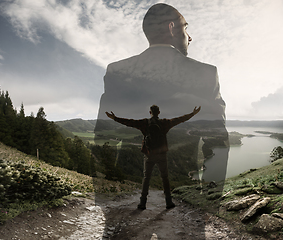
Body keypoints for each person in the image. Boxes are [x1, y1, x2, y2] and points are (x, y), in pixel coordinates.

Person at [95, 2, 229, 192]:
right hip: (182, 187)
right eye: (186, 28)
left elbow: (102, 136)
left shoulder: (117, 71)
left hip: (126, 190)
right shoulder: (205, 73)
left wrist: (103, 194)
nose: (190, 37)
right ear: (171, 28)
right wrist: (212, 194)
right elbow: (216, 138)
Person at [105, 105, 201, 209]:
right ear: (159, 112)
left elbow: (130, 122)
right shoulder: (164, 123)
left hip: (149, 154)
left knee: (146, 178)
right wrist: (193, 113)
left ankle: (142, 203)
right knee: (165, 178)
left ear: (150, 112)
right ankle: (168, 202)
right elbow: (179, 120)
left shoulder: (144, 123)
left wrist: (115, 118)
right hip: (162, 154)